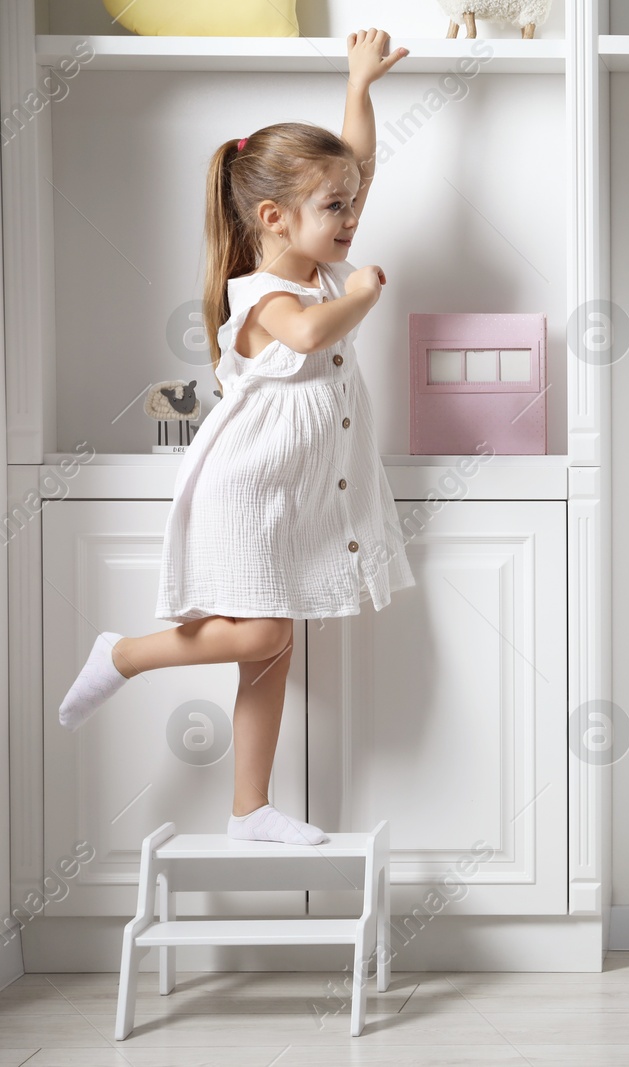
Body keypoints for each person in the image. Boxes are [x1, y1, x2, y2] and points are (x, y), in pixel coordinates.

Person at [56, 29, 415, 846]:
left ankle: (249, 806)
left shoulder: (313, 261)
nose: (353, 217)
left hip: (291, 493)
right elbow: (312, 334)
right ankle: (125, 656)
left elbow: (355, 160)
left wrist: (359, 86)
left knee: (272, 648)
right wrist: (362, 296)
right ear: (273, 217)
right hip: (248, 491)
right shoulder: (268, 296)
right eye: (337, 209)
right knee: (264, 633)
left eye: (353, 205)